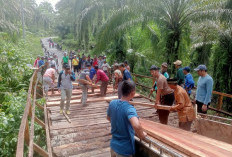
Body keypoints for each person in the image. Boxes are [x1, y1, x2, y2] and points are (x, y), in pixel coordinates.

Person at [107, 81, 147, 157]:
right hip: (124, 150)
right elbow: (136, 125)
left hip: (113, 146)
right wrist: (142, 135)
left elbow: (109, 118)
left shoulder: (112, 103)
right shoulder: (129, 109)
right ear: (133, 93)